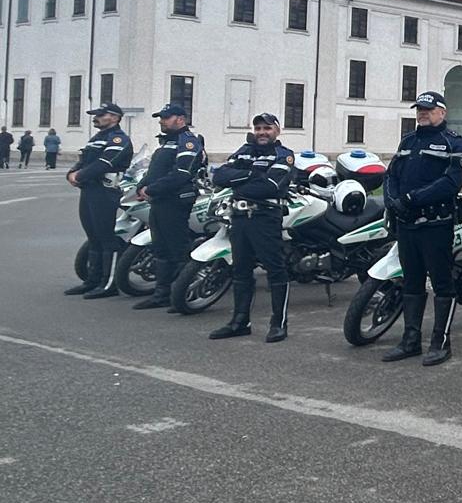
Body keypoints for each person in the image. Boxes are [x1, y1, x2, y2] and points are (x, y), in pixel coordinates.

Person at [381, 91, 462, 365]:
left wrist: (412, 198)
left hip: (435, 225)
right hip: (407, 224)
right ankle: (410, 340)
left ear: (442, 112)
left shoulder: (454, 143)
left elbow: (451, 182)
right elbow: (391, 175)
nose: (422, 113)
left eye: (428, 110)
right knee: (411, 282)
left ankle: (440, 343)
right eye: (419, 109)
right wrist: (392, 201)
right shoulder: (408, 140)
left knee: (442, 284)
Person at [208, 113, 295, 341]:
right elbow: (219, 176)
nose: (261, 133)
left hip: (264, 217)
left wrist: (240, 181)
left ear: (277, 130)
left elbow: (270, 186)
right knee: (240, 270)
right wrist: (251, 175)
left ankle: (278, 324)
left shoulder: (283, 155)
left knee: (275, 269)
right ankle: (240, 322)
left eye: (267, 128)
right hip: (239, 217)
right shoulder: (244, 151)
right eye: (257, 128)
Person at [132, 104, 206, 313]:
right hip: (160, 200)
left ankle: (181, 294)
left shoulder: (188, 142)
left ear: (180, 119)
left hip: (175, 200)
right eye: (161, 118)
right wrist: (142, 186)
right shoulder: (167, 142)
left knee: (177, 249)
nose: (162, 121)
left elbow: (180, 174)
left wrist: (152, 189)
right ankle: (161, 295)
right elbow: (155, 170)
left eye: (166, 117)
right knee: (161, 248)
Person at [64, 104, 134, 298]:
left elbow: (105, 163)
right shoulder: (97, 138)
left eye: (100, 116)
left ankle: (109, 284)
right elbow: (85, 160)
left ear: (114, 118)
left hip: (105, 191)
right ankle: (92, 281)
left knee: (105, 237)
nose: (96, 118)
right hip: (90, 189)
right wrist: (71, 173)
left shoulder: (119, 139)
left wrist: (80, 176)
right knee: (93, 236)